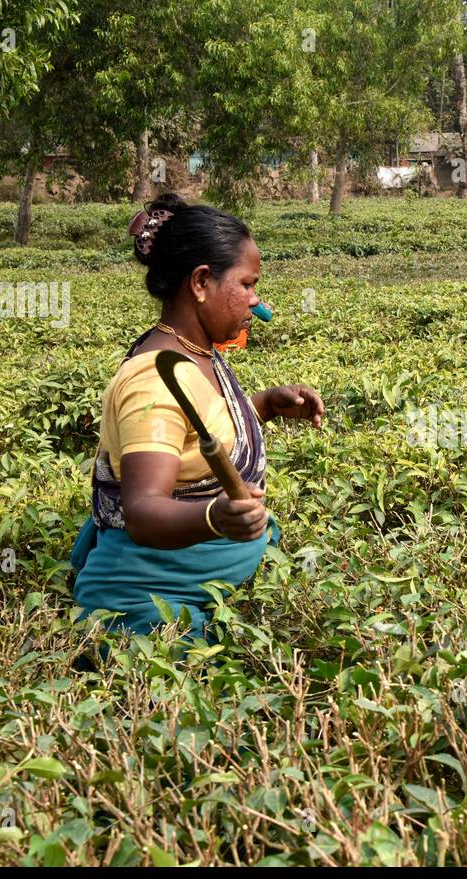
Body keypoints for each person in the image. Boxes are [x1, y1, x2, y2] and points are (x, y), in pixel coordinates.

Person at [70, 193, 325, 641]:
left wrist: (264, 405)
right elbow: (144, 510)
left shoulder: (193, 350)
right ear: (202, 281)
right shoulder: (154, 380)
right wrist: (213, 517)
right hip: (150, 596)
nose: (255, 299)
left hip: (210, 572)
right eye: (246, 284)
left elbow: (198, 435)